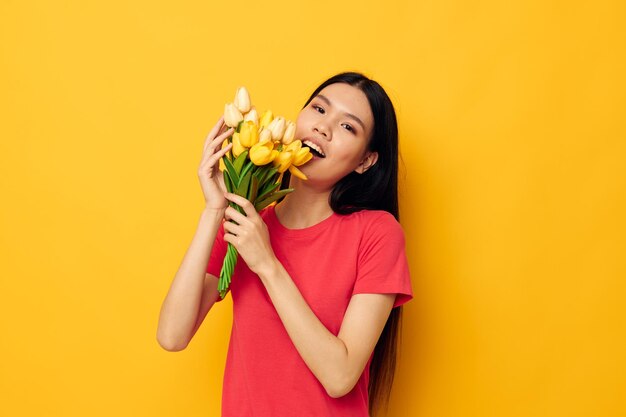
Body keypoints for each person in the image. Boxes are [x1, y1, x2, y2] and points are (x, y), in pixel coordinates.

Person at [157, 72, 413, 417]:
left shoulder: (377, 233)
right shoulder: (245, 220)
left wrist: (267, 264)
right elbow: (172, 336)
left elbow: (340, 377)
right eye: (319, 109)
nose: (324, 127)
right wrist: (215, 209)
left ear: (366, 161)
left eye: (348, 127)